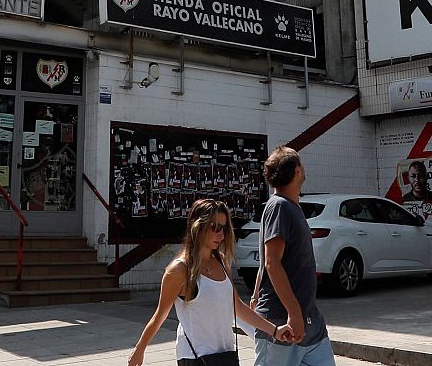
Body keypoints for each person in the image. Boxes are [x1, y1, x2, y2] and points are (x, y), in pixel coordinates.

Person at [129, 199, 287, 366]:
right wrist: (140, 349)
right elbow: (160, 315)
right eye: (215, 227)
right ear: (197, 227)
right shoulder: (180, 270)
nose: (221, 234)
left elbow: (237, 307)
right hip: (196, 357)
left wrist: (274, 331)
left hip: (226, 355)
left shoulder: (222, 261)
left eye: (224, 228)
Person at [252, 147, 334, 366]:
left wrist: (255, 293)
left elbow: (266, 262)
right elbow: (272, 262)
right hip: (283, 320)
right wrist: (293, 313)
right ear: (297, 170)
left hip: (310, 320)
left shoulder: (290, 206)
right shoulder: (279, 206)